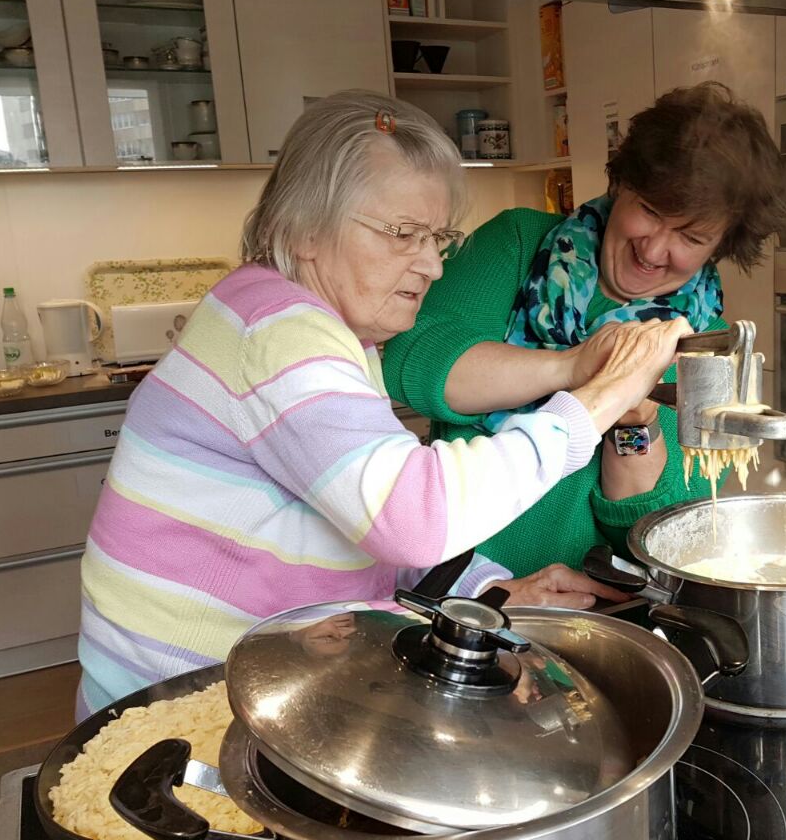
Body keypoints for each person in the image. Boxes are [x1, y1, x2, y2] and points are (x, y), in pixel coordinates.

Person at [75, 90, 687, 716]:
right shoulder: (281, 331)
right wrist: (597, 399)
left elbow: (361, 526)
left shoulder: (330, 330)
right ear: (305, 229)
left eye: (437, 238)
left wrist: (494, 591)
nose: (432, 265)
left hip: (243, 679)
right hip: (180, 707)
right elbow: (411, 518)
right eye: (403, 234)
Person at [383, 82, 786, 577]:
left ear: (721, 246)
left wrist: (633, 423)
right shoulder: (517, 244)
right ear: (621, 185)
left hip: (594, 604)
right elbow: (413, 362)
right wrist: (579, 368)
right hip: (467, 587)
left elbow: (652, 529)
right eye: (650, 211)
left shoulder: (708, 344)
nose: (655, 249)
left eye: (691, 236)